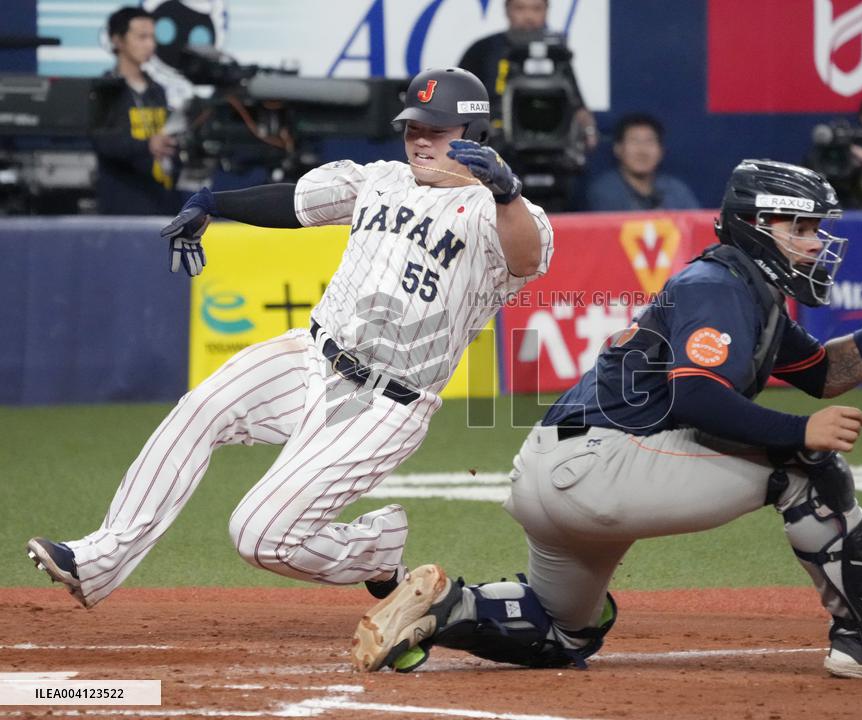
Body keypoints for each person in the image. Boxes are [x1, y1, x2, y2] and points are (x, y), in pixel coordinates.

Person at [349, 160, 862, 681]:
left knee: (563, 633)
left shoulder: (741, 290)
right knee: (805, 468)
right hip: (602, 466)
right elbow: (697, 397)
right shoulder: (719, 286)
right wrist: (799, 433)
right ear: (756, 226)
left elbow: (823, 373)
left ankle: (444, 607)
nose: (812, 241)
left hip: (553, 466)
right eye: (799, 226)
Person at [25, 67, 552, 610]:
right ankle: (99, 558)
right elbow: (295, 202)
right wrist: (212, 203)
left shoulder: (503, 214)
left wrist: (506, 193)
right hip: (310, 356)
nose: (420, 138)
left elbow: (527, 257)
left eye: (436, 129)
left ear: (476, 135)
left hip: (386, 403)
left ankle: (374, 550)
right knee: (202, 407)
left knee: (258, 536)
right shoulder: (380, 179)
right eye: (412, 125)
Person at [458, 0, 597, 150]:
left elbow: (577, 105)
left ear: (546, 11)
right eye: (520, 8)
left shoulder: (557, 54)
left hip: (550, 143)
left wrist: (588, 129)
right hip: (495, 144)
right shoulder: (484, 49)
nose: (529, 16)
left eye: (536, 9)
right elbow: (457, 100)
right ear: (507, 10)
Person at [91, 6, 179, 215]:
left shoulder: (157, 90)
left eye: (152, 37)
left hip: (162, 200)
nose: (150, 44)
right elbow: (104, 143)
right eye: (141, 37)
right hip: (123, 204)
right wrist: (148, 145)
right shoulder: (104, 89)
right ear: (117, 40)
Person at [585, 113, 699, 211]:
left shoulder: (676, 191)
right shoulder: (605, 192)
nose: (642, 150)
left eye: (649, 141)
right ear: (618, 149)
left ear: (661, 151)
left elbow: (698, 229)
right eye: (634, 141)